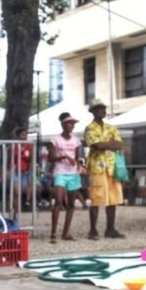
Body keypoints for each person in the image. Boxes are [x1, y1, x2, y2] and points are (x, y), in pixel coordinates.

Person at [84, 99, 125, 239]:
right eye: (99, 108)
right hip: (98, 168)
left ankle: (110, 229)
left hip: (112, 167)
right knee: (96, 199)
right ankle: (93, 230)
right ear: (92, 111)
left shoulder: (111, 127)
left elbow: (119, 144)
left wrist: (105, 144)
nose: (102, 110)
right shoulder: (89, 128)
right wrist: (110, 143)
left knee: (113, 199)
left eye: (103, 108)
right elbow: (96, 146)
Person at [48, 112, 82, 243]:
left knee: (71, 204)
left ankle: (65, 232)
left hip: (73, 173)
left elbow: (78, 158)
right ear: (63, 124)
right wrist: (64, 156)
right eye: (69, 123)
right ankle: (53, 233)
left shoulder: (76, 140)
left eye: (73, 123)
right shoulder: (55, 139)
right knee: (58, 201)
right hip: (60, 172)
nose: (71, 125)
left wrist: (80, 165)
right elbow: (51, 158)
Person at [10, 127, 32, 219]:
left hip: (25, 172)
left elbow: (31, 159)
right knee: (17, 194)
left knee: (29, 185)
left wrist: (30, 169)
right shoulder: (14, 146)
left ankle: (27, 201)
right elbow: (10, 158)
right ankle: (16, 214)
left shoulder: (29, 146)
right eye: (23, 134)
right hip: (16, 172)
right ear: (19, 136)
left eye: (26, 134)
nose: (25, 136)